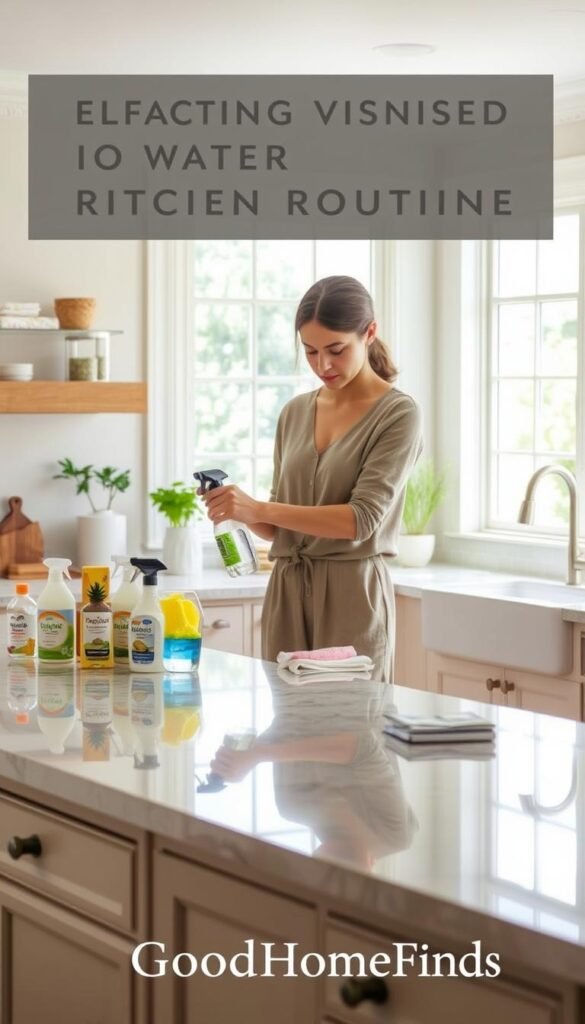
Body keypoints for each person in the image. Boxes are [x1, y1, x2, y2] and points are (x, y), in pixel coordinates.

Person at [200, 274, 423, 680]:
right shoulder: (295, 412)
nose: (323, 365)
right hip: (286, 593)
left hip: (352, 595)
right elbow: (280, 529)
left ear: (369, 333)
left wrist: (260, 506)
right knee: (287, 731)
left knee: (349, 731)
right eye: (310, 351)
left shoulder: (398, 414)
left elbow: (361, 520)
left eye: (337, 350)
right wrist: (240, 508)